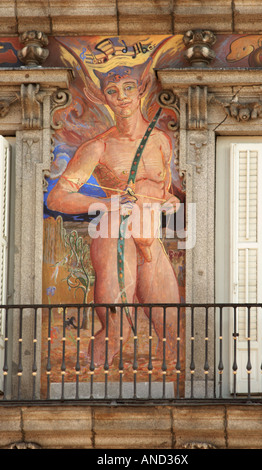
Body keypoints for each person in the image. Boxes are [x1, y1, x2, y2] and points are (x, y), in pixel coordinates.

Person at [47, 63, 181, 367]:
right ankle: (90, 380)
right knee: (117, 330)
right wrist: (107, 205)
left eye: (128, 88)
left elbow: (161, 190)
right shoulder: (98, 146)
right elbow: (57, 197)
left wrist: (169, 199)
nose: (121, 96)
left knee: (170, 326)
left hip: (151, 240)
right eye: (112, 91)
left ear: (141, 91)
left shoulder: (161, 140)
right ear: (104, 98)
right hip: (115, 237)